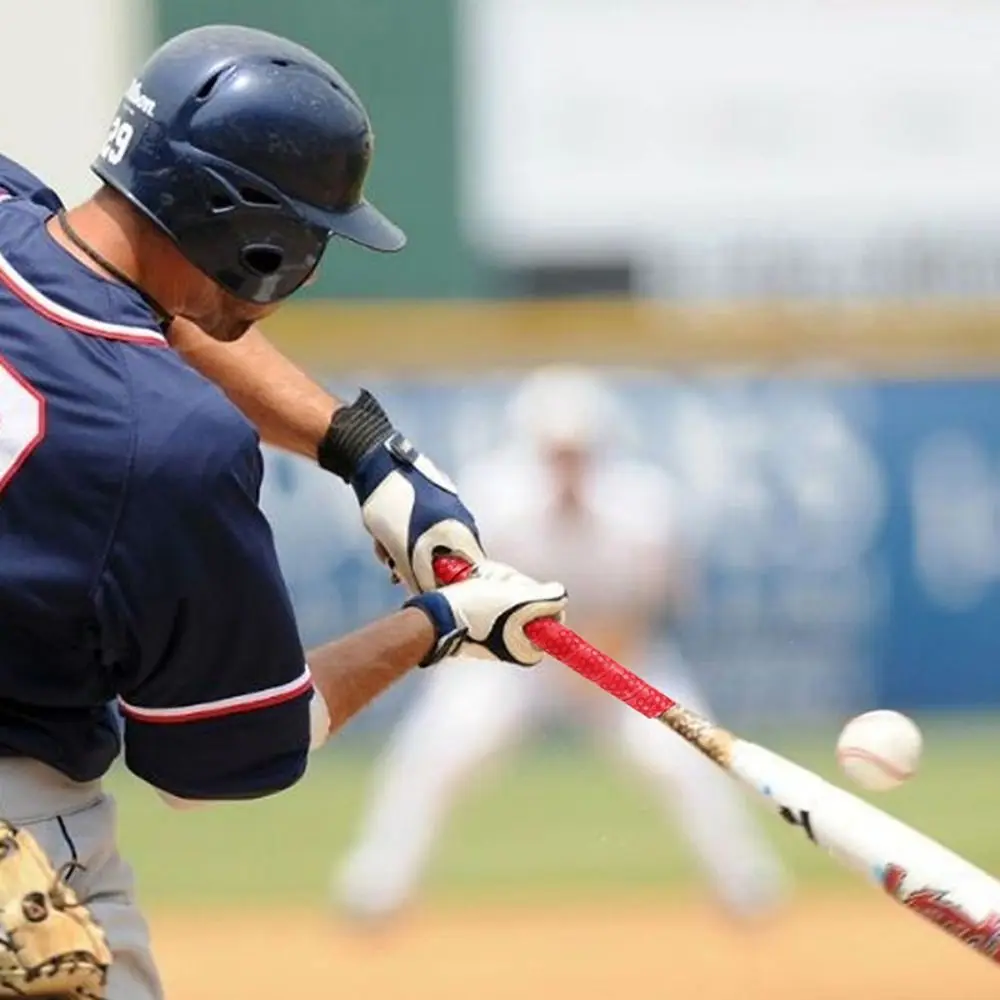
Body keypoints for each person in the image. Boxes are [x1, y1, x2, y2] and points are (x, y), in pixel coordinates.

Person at [0, 24, 568, 1000]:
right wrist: (431, 630)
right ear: (255, 235)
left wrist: (363, 450)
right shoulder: (169, 448)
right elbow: (214, 757)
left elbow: (144, 314)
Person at [335, 367, 789, 923]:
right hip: (505, 659)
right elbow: (460, 597)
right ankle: (377, 885)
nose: (567, 463)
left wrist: (594, 652)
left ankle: (747, 882)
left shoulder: (642, 502)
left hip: (613, 654)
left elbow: (664, 599)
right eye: (554, 450)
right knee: (437, 750)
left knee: (684, 754)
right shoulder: (492, 496)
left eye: (577, 450)